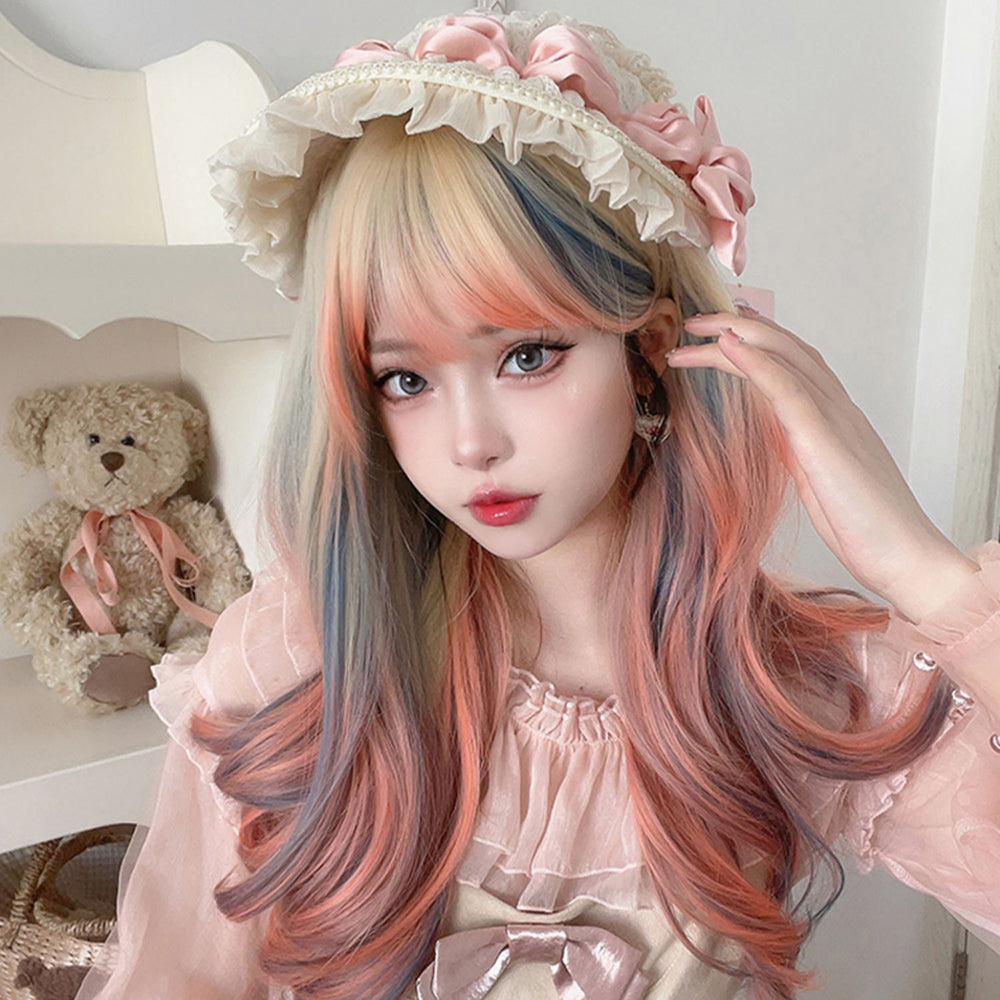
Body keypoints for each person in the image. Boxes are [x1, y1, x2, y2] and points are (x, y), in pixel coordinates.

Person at [74, 7, 1000, 1000]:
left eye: (526, 355)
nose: (470, 443)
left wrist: (926, 574)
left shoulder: (795, 684)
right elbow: (179, 978)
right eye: (404, 379)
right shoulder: (301, 657)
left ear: (646, 351)